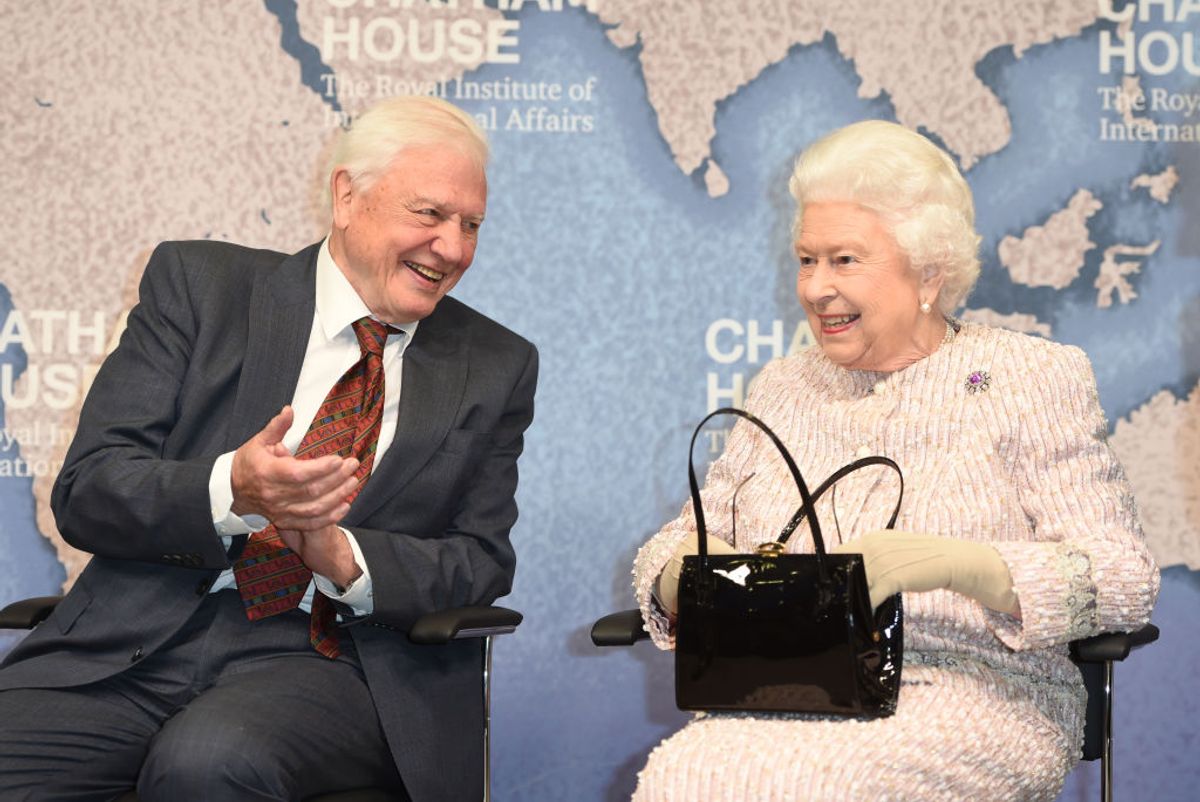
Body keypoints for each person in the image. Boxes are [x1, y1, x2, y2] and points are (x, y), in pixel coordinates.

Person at [0, 96, 538, 802]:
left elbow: (480, 559)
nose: (455, 249)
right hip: (139, 642)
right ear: (348, 196)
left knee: (206, 762)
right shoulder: (201, 289)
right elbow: (89, 489)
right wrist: (232, 493)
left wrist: (349, 559)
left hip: (330, 660)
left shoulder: (495, 364)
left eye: (471, 225)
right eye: (430, 215)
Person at [632, 120, 1158, 801]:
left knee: (812, 787)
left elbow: (1123, 577)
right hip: (787, 695)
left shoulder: (1028, 376)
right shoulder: (780, 390)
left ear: (929, 273)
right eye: (806, 259)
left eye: (844, 260)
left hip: (976, 695)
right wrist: (682, 568)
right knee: (684, 776)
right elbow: (677, 544)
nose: (816, 287)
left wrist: (962, 565)